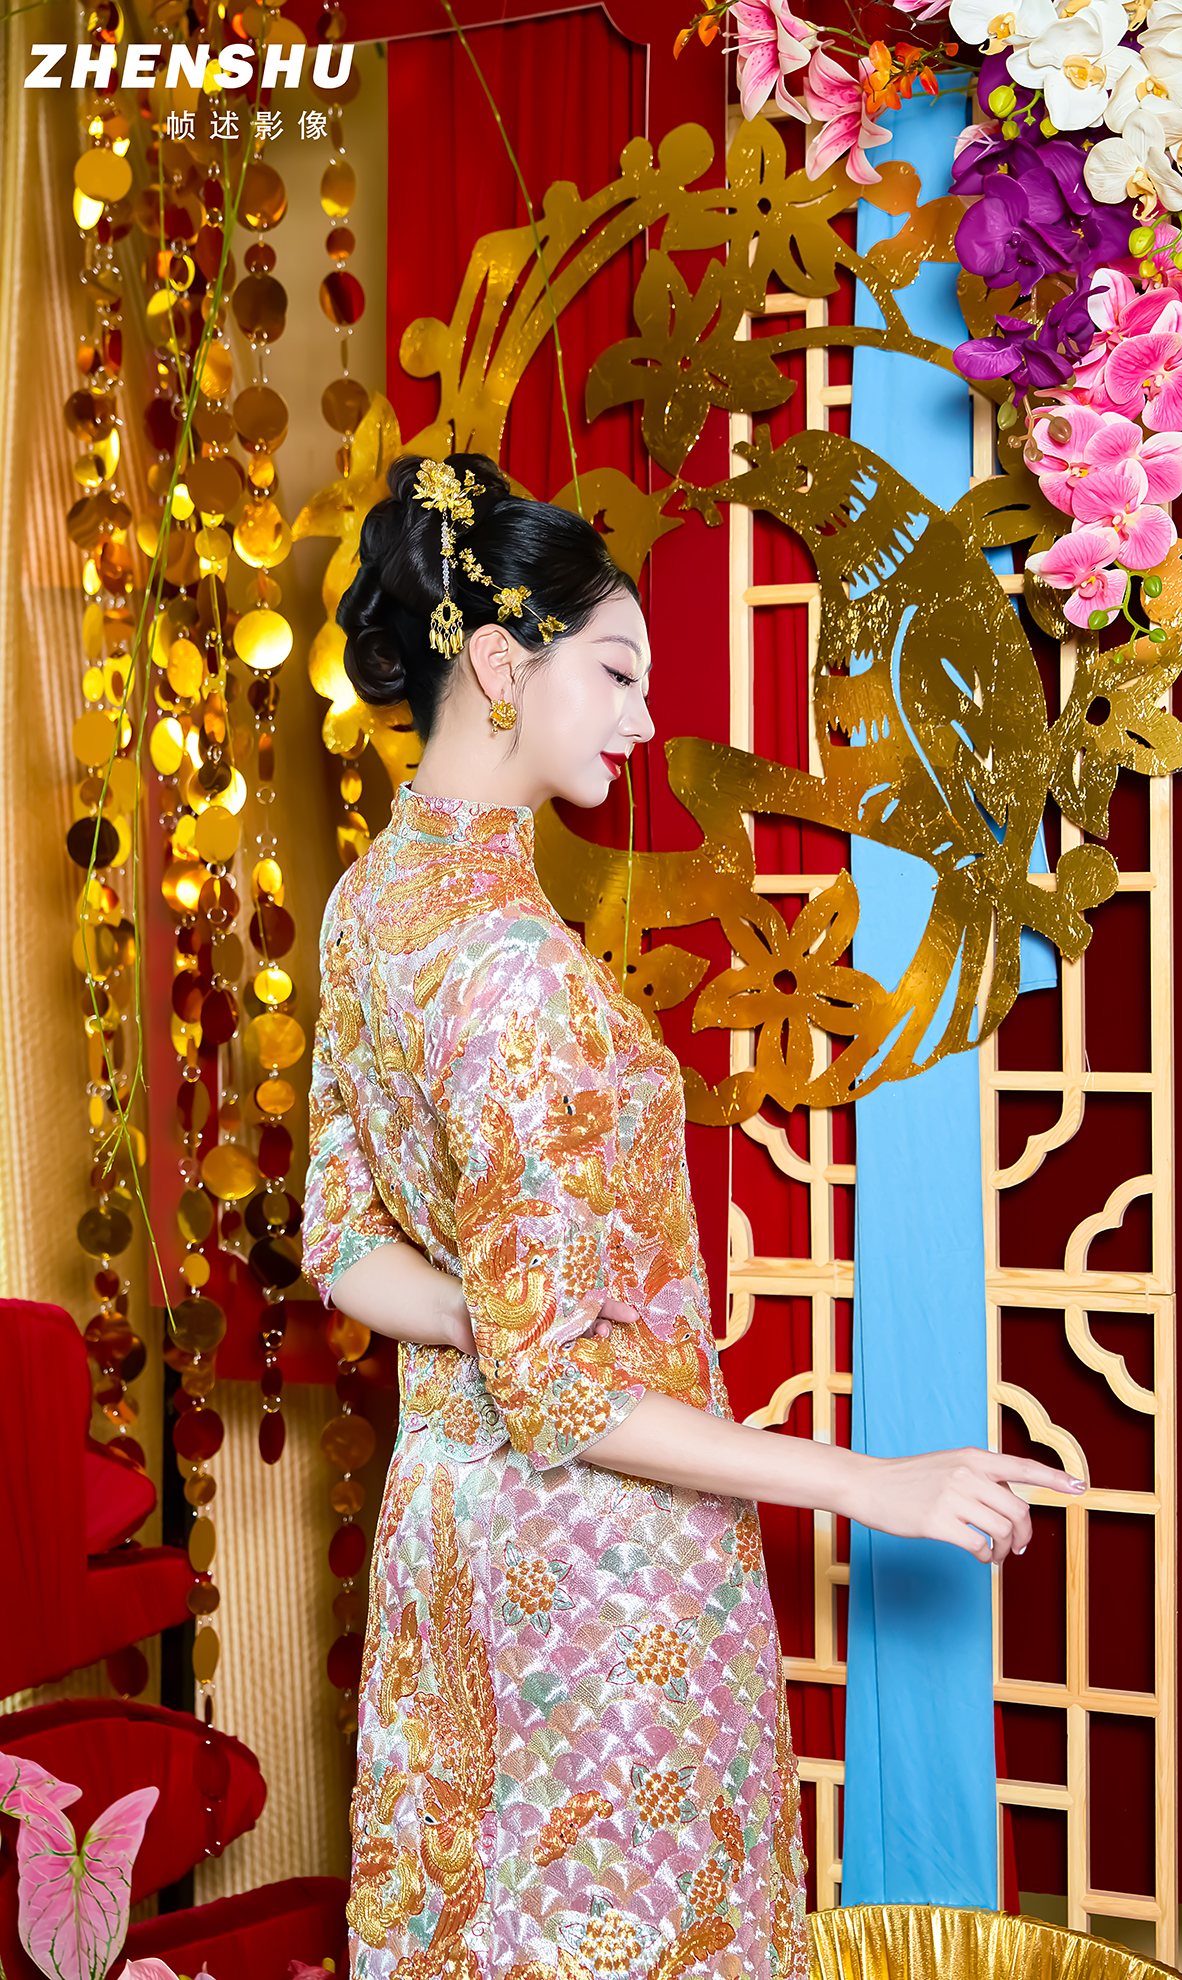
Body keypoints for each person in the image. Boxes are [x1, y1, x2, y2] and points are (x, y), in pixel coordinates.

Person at [302, 453, 1082, 1980]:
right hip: (598, 1577)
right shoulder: (517, 975)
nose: (644, 720)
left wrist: (494, 1324)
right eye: (615, 674)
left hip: (446, 1541)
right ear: (500, 666)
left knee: (475, 1927)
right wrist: (874, 1484)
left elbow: (340, 1246)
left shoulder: (367, 908)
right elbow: (567, 1396)